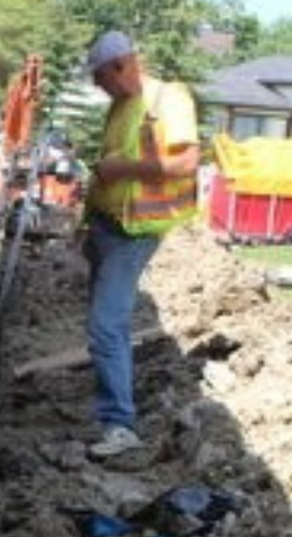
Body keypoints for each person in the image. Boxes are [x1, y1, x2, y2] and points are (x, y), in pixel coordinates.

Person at [79, 30, 201, 460]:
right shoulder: (119, 106)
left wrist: (124, 168)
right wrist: (86, 223)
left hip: (135, 232)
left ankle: (120, 425)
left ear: (121, 66)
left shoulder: (167, 99)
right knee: (106, 325)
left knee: (105, 326)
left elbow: (187, 162)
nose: (97, 86)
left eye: (100, 78)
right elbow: (106, 172)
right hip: (106, 228)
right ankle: (110, 409)